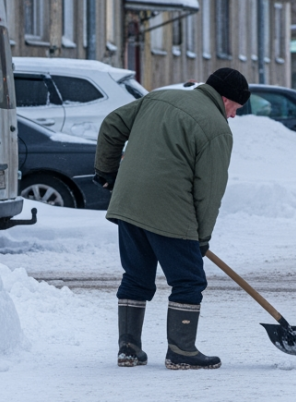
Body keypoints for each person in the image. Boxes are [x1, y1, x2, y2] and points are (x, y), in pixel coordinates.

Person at [93, 68, 250, 370]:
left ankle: (128, 349)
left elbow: (112, 124)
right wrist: (201, 239)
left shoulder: (159, 97)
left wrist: (107, 173)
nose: (233, 116)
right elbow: (209, 193)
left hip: (128, 203)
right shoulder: (216, 129)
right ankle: (181, 351)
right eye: (235, 109)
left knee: (136, 276)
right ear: (226, 98)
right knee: (189, 280)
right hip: (170, 209)